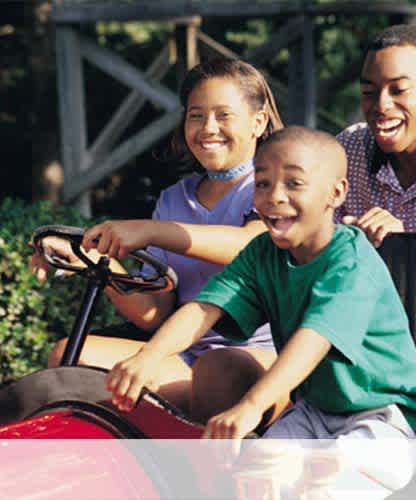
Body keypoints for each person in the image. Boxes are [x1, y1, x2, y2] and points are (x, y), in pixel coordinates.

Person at [108, 127, 416, 450]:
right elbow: (204, 308)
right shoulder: (262, 253)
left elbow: (313, 339)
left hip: (385, 416)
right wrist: (149, 357)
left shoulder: (351, 262)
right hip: (314, 413)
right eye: (263, 184)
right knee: (254, 472)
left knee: (326, 478)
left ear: (336, 194)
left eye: (294, 183)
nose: (274, 197)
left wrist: (252, 405)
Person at [32, 57, 284, 421]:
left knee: (219, 371)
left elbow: (251, 246)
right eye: (196, 116)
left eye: (223, 115)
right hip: (184, 360)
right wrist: (98, 263)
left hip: (255, 362)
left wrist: (148, 230)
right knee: (67, 359)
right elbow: (155, 314)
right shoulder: (172, 199)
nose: (207, 128)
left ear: (258, 122)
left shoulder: (272, 186)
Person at [337, 24, 416, 246]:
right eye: (368, 93)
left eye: (398, 90)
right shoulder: (350, 150)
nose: (381, 105)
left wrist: (404, 244)